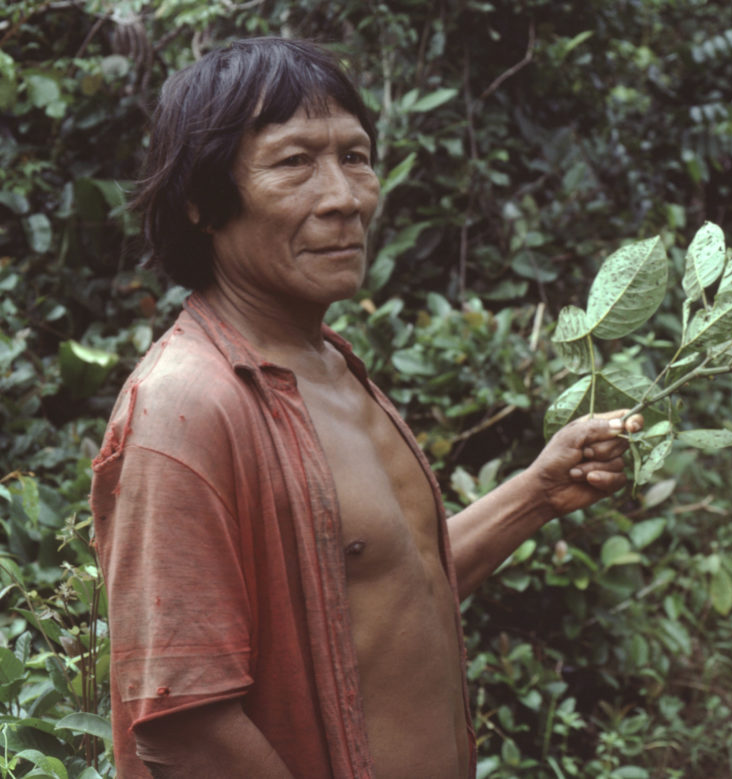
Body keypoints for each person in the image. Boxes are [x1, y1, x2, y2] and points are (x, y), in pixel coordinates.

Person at [89, 37, 642, 779]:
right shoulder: (186, 405)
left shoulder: (332, 364)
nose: (345, 197)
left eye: (356, 156)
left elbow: (396, 582)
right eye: (294, 163)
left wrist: (540, 490)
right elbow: (185, 722)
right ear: (200, 199)